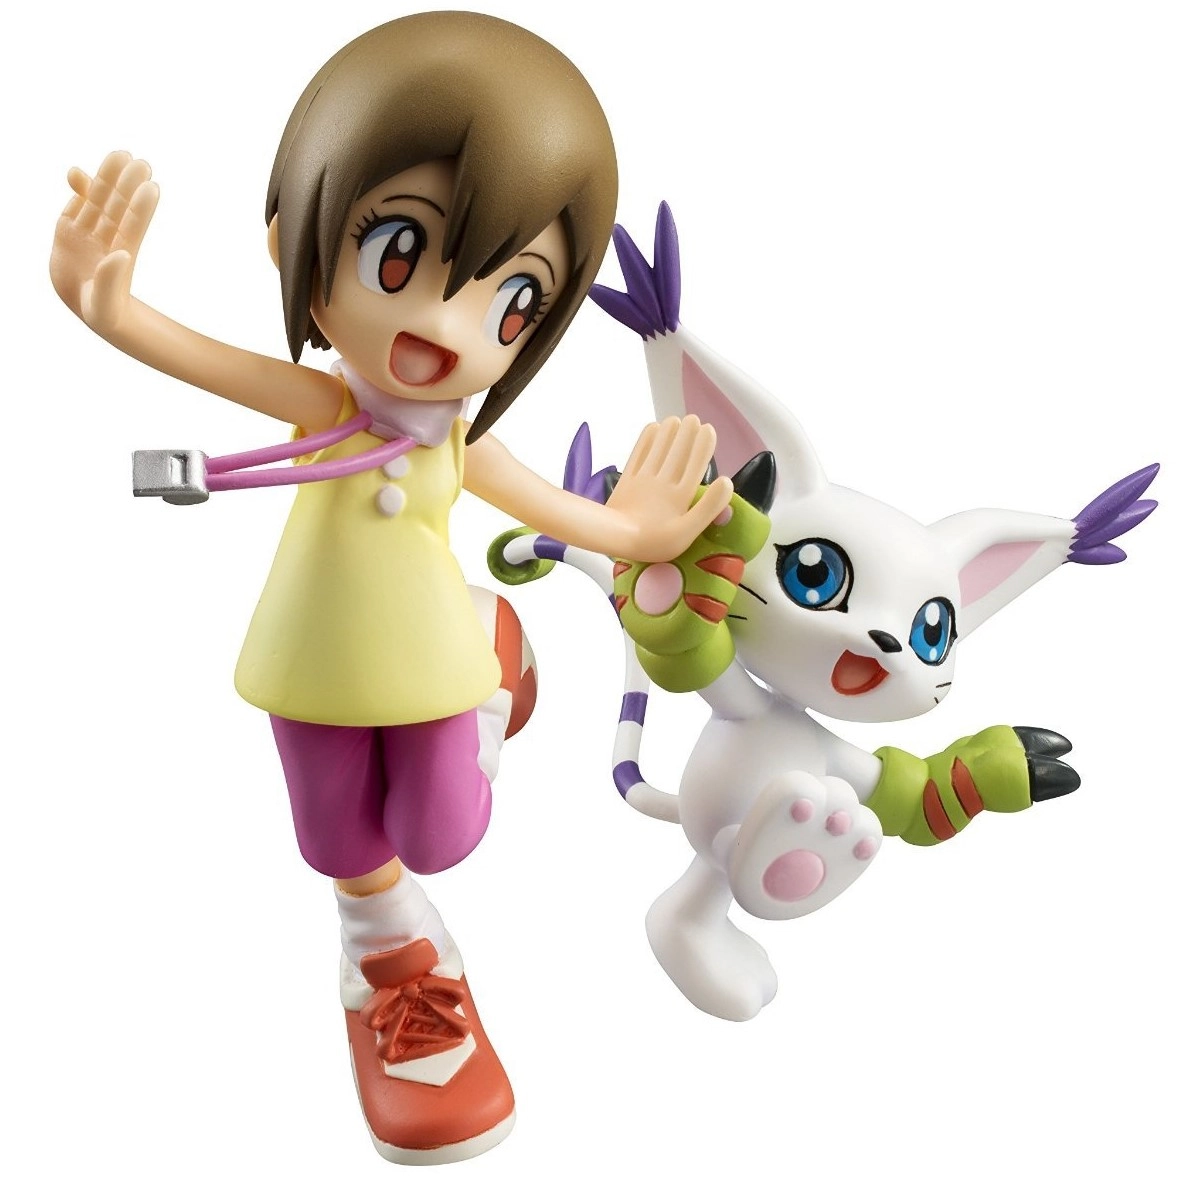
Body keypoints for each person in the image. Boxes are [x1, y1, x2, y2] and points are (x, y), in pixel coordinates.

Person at [49, 12, 731, 1165]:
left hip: (431, 661)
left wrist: (636, 530)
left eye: (511, 302)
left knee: (442, 832)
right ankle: (393, 959)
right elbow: (202, 357)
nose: (446, 329)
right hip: (312, 654)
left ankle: (492, 657)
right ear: (295, 243)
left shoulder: (459, 438)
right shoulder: (325, 406)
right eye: (400, 253)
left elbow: (555, 506)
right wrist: (110, 309)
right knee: (334, 841)